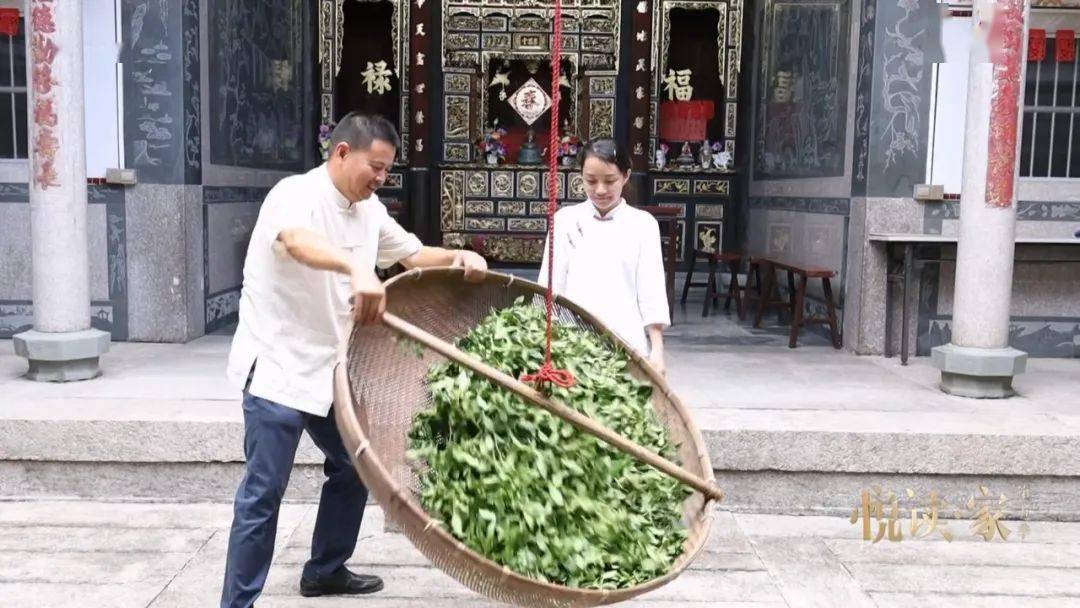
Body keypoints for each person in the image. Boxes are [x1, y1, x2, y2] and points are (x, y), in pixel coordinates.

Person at [220, 113, 487, 608]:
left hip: (331, 370)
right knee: (263, 493)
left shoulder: (370, 212)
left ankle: (325, 569)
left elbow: (411, 255)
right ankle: (237, 603)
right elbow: (297, 242)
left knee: (352, 466)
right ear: (342, 153)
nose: (381, 179)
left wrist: (458, 257)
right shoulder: (294, 194)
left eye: (388, 170)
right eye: (376, 167)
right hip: (278, 367)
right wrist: (356, 266)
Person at [538, 138, 669, 374]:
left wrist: (657, 350)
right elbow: (549, 287)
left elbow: (652, 292)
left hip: (627, 344)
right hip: (571, 345)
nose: (600, 190)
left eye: (610, 181)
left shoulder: (643, 225)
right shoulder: (565, 221)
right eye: (591, 180)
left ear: (626, 176)